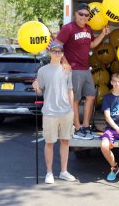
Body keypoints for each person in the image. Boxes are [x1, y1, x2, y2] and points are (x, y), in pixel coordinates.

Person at [55, 3, 110, 140]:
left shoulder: (88, 29)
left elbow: (91, 45)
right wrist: (65, 62)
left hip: (85, 69)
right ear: (75, 14)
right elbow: (56, 45)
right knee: (75, 99)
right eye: (81, 14)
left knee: (91, 96)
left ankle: (85, 126)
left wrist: (103, 34)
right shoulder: (68, 28)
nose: (84, 17)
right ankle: (77, 128)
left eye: (86, 15)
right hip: (74, 69)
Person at [32, 42, 76, 184]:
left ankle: (63, 171)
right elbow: (40, 91)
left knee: (65, 141)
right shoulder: (42, 70)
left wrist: (72, 110)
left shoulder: (67, 69)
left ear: (63, 53)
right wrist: (36, 87)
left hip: (66, 111)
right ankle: (49, 172)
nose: (57, 53)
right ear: (50, 52)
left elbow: (70, 90)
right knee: (49, 143)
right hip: (50, 112)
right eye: (54, 51)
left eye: (59, 51)